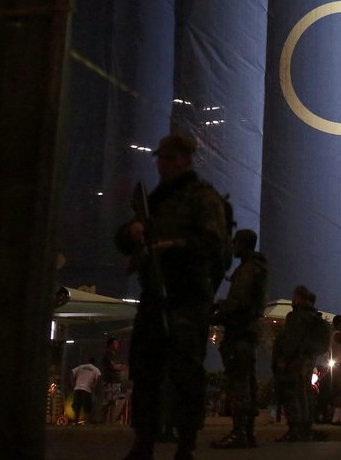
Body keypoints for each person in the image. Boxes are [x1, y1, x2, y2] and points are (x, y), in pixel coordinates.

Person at [114, 133, 230, 460]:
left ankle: (185, 444)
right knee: (146, 370)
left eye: (169, 158)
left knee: (185, 372)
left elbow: (213, 246)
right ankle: (144, 441)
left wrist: (171, 247)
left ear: (185, 160)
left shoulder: (202, 198)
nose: (162, 164)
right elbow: (123, 239)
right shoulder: (155, 200)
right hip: (154, 293)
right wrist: (133, 232)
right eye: (161, 158)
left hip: (187, 295)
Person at [209, 228, 269, 449]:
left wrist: (215, 314)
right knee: (247, 382)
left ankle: (239, 432)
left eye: (236, 242)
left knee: (238, 384)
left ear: (243, 244)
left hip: (239, 333)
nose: (232, 246)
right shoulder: (256, 268)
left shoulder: (247, 270)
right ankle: (247, 432)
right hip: (247, 332)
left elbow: (238, 302)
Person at [271, 285, 326, 441]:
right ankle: (304, 428)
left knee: (292, 393)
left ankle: (295, 429)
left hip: (294, 361)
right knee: (304, 393)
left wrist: (283, 359)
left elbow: (291, 341)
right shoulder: (313, 317)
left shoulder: (296, 317)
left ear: (299, 298)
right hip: (307, 361)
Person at [101, 337, 127, 424]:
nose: (117, 345)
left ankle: (111, 422)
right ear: (110, 345)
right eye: (115, 343)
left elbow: (122, 366)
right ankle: (104, 421)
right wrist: (119, 367)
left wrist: (119, 367)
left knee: (113, 402)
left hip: (116, 381)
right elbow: (113, 366)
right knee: (106, 402)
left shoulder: (115, 355)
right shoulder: (107, 355)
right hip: (109, 381)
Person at [70, 358, 101, 425]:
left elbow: (72, 372)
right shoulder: (95, 369)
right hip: (87, 389)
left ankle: (76, 422)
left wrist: (72, 382)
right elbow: (99, 376)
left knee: (77, 407)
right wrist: (94, 385)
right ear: (94, 363)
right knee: (86, 408)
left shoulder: (81, 367)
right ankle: (87, 423)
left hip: (77, 388)